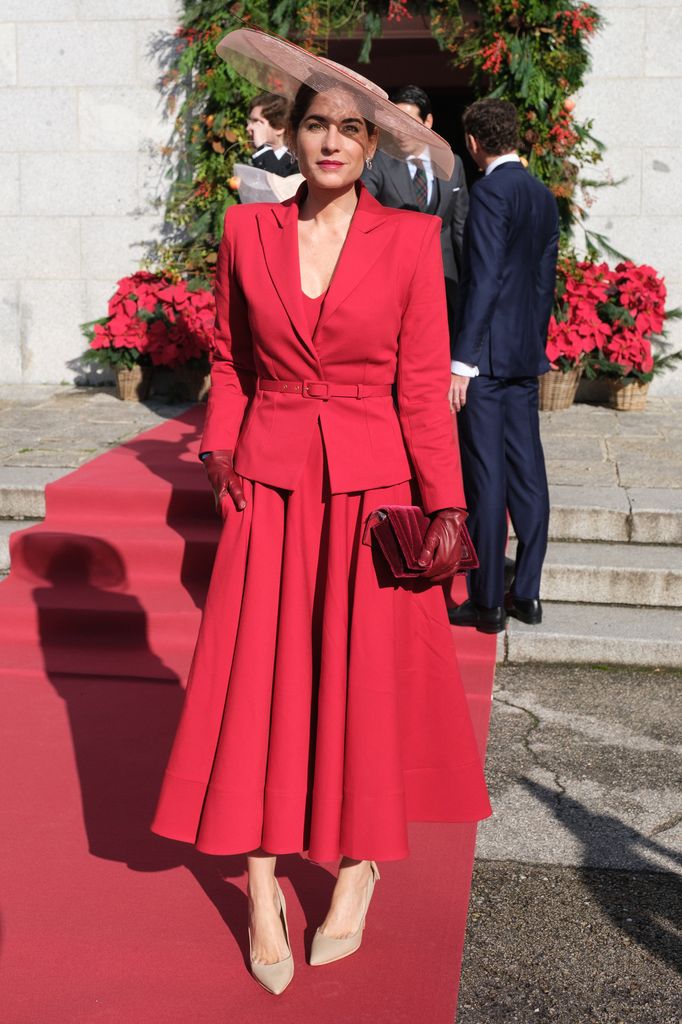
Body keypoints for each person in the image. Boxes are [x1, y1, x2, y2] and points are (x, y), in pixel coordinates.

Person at [151, 28, 490, 996]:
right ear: (291, 136)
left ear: (370, 145)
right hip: (269, 493)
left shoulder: (411, 239)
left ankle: (355, 866)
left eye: (350, 127)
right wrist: (222, 453)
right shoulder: (243, 232)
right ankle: (260, 883)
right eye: (316, 124)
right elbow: (232, 362)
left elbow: (423, 389)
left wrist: (445, 512)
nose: (332, 140)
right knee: (261, 689)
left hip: (373, 495)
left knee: (360, 690)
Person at [448, 99, 559, 634]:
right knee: (528, 474)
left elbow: (486, 278)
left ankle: (489, 601)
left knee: (486, 480)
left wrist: (462, 360)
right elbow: (544, 284)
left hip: (486, 360)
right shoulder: (542, 194)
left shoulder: (490, 191)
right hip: (522, 354)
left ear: (474, 142)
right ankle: (529, 594)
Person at [362, 84, 469, 339]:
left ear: (428, 121)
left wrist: (470, 281)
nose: (401, 132)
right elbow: (363, 208)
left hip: (444, 279)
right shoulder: (378, 161)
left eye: (409, 122)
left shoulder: (452, 163)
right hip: (394, 278)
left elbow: (460, 226)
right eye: (395, 122)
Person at [247, 91, 300, 176]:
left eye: (257, 122)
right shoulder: (255, 159)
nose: (248, 128)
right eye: (249, 122)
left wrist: (263, 148)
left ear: (279, 127)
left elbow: (278, 183)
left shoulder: (295, 165)